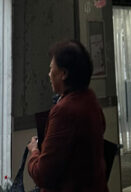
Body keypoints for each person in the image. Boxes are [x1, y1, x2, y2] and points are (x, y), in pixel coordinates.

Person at [26, 40, 108, 192]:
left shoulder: (64, 111)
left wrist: (34, 151)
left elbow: (43, 174)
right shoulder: (90, 100)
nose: (49, 74)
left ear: (63, 74)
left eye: (52, 69)